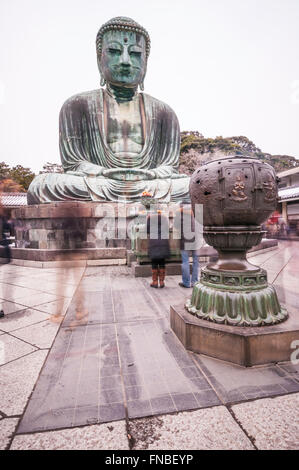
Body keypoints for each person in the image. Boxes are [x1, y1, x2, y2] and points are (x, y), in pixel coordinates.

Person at [27, 16, 190, 204]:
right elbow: (74, 164)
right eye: (114, 51)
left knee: (189, 186)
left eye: (136, 53)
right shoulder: (77, 105)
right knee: (43, 185)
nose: (125, 61)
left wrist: (150, 174)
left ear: (146, 62)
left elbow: (169, 167)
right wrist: (103, 172)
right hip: (99, 183)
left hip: (150, 185)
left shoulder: (164, 112)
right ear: (99, 59)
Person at [175, 203, 201, 288]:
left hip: (185, 240)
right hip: (196, 239)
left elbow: (176, 226)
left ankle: (186, 283)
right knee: (196, 262)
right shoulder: (196, 211)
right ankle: (195, 282)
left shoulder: (180, 213)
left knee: (185, 262)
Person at [147, 208, 170, 288]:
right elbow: (167, 229)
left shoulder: (150, 218)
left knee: (154, 262)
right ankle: (162, 282)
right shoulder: (164, 218)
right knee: (162, 262)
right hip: (163, 242)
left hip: (154, 242)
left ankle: (155, 282)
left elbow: (147, 230)